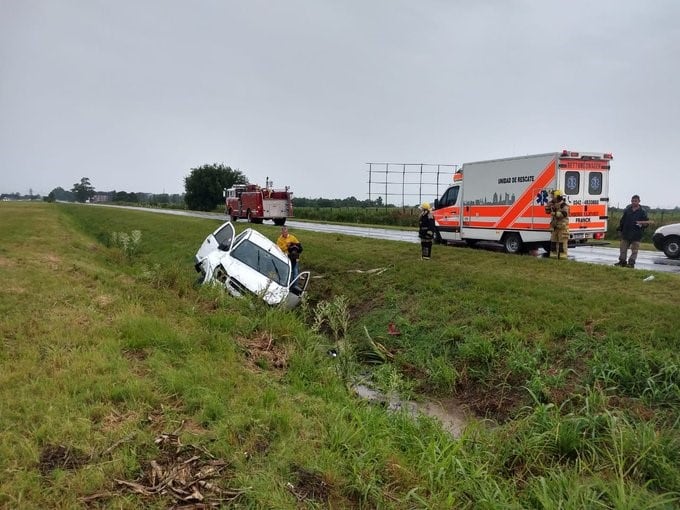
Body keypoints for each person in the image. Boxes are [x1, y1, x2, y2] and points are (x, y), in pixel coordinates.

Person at [615, 194, 652, 268]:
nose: (634, 202)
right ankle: (622, 261)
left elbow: (646, 222)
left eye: (636, 201)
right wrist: (620, 229)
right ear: (631, 201)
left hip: (636, 234)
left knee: (634, 250)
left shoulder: (642, 212)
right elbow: (622, 221)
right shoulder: (627, 210)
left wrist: (643, 224)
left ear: (639, 201)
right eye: (633, 201)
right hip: (626, 233)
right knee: (623, 249)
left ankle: (631, 263)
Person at [545, 189, 570, 259]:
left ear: (557, 197)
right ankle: (553, 256)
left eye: (553, 196)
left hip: (562, 227)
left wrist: (555, 213)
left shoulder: (564, 205)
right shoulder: (553, 204)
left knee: (562, 244)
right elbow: (547, 212)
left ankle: (563, 256)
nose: (552, 197)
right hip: (555, 227)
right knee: (553, 243)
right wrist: (548, 206)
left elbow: (564, 214)